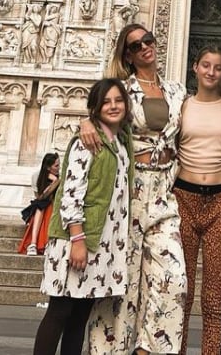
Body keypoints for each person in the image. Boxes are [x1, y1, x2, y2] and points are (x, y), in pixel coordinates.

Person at [80, 24, 187, 355]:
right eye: (136, 45)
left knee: (173, 278)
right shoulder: (122, 91)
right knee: (121, 278)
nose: (145, 48)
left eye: (149, 40)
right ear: (127, 55)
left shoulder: (177, 91)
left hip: (164, 191)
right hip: (129, 190)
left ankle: (149, 349)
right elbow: (99, 115)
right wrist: (86, 121)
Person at [34, 78, 133, 355]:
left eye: (118, 100)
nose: (113, 106)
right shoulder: (87, 142)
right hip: (76, 239)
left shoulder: (122, 143)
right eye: (106, 101)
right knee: (60, 312)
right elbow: (70, 192)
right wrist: (77, 239)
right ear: (95, 108)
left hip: (102, 243)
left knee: (79, 317)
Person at [175, 45, 221, 355]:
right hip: (182, 199)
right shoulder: (181, 106)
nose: (211, 72)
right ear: (195, 67)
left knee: (213, 299)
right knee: (180, 293)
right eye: (206, 65)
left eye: (218, 67)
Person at [20, 152, 61, 256]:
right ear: (48, 168)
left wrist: (57, 180)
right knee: (40, 206)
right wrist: (54, 182)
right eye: (56, 165)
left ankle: (44, 243)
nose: (59, 168)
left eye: (59, 164)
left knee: (46, 207)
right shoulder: (37, 176)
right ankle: (33, 243)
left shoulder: (61, 176)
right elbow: (40, 197)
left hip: (56, 206)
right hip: (41, 204)